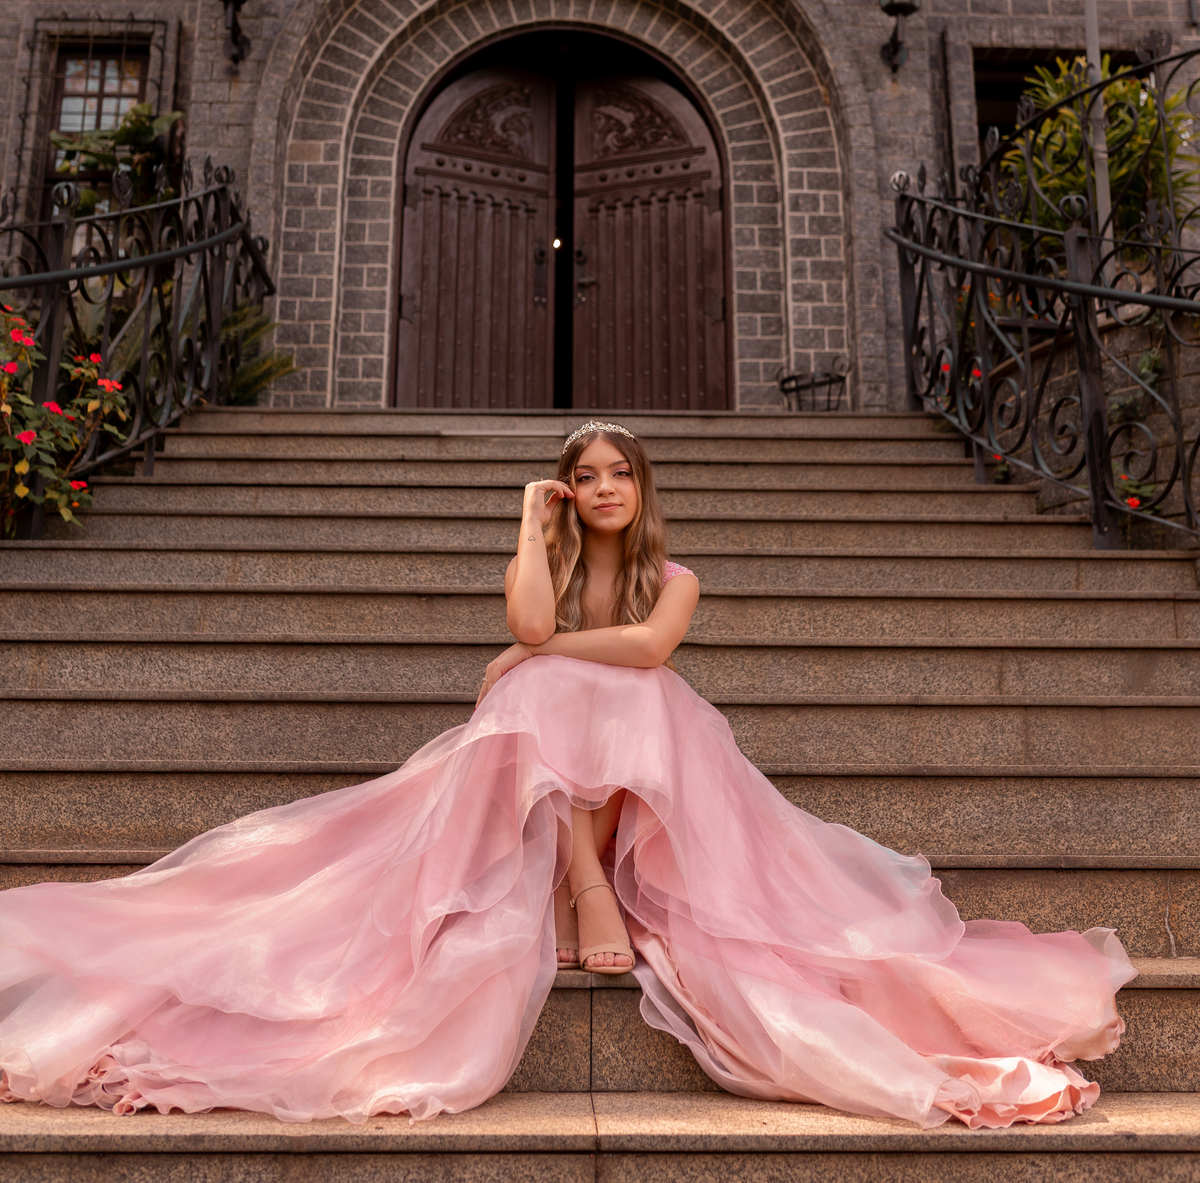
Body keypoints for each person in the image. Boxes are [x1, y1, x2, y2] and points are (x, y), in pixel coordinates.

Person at [0, 421, 1133, 1129]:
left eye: (615, 475)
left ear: (642, 486)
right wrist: (522, 528)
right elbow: (532, 626)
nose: (600, 489)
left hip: (662, 784)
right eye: (581, 477)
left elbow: (644, 651)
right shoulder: (548, 549)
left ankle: (586, 880)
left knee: (608, 689)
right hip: (555, 774)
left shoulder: (675, 575)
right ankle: (583, 882)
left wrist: (533, 655)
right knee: (540, 690)